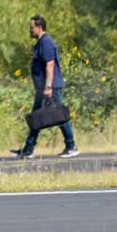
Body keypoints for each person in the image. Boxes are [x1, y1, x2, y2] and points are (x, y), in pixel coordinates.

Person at [13, 15, 79, 159]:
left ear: (39, 27)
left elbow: (50, 64)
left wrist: (48, 86)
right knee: (36, 117)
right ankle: (28, 150)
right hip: (42, 89)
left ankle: (71, 145)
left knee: (60, 115)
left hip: (51, 88)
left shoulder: (46, 42)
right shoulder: (40, 42)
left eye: (32, 27)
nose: (30, 30)